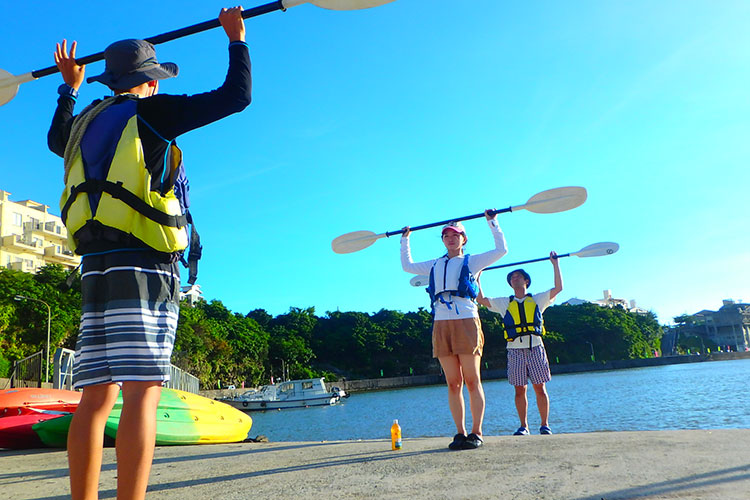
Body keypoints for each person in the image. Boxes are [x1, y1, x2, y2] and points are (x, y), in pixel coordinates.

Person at [47, 7, 251, 500]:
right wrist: (236, 40)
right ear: (148, 81)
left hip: (94, 270)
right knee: (141, 392)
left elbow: (55, 137)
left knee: (94, 399)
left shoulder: (80, 125)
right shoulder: (151, 113)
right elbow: (236, 98)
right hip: (143, 268)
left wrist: (68, 88)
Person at [401, 213, 507, 450]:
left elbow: (501, 250)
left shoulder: (472, 261)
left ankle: (476, 432)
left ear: (463, 238)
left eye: (455, 235)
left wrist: (492, 222)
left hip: (467, 318)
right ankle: (459, 432)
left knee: (471, 380)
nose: (451, 239)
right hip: (441, 322)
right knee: (453, 383)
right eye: (446, 235)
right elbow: (407, 266)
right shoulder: (435, 264)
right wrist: (405, 239)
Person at [477, 253, 562, 436]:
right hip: (514, 350)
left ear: (526, 280)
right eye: (512, 278)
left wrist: (555, 264)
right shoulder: (504, 303)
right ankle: (524, 426)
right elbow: (481, 300)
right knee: (519, 389)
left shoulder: (538, 299)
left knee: (540, 387)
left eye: (518, 276)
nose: (514, 279)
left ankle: (544, 424)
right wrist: (478, 278)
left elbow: (558, 288)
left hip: (536, 347)